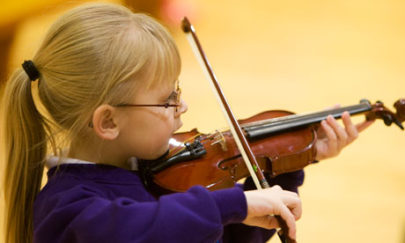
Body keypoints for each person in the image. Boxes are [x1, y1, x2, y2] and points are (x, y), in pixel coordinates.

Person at [0, 3, 373, 243]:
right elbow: (139, 229)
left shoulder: (161, 179)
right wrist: (234, 204)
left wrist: (289, 165)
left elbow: (224, 238)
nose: (183, 107)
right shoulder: (71, 210)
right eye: (167, 100)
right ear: (108, 121)